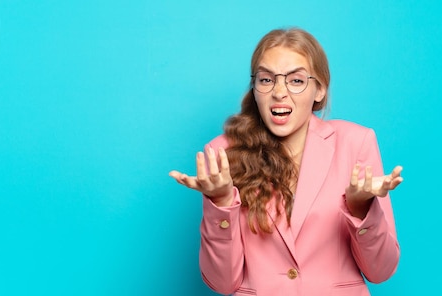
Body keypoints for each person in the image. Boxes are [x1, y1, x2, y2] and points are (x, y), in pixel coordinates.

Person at [169, 27, 403, 296]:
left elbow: (381, 270)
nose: (279, 92)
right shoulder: (221, 153)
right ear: (255, 89)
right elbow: (222, 283)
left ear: (319, 90)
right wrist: (221, 202)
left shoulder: (356, 142)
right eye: (266, 80)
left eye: (296, 80)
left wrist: (361, 208)